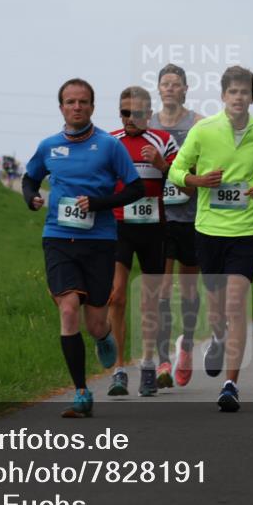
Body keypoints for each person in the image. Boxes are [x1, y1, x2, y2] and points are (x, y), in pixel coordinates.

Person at [167, 66, 253, 412]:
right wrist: (197, 181)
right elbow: (176, 170)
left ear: (252, 97)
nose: (238, 97)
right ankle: (217, 336)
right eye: (232, 92)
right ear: (223, 96)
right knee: (218, 308)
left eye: (244, 92)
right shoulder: (203, 130)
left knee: (236, 304)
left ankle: (230, 385)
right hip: (208, 230)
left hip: (246, 232)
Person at [23, 78, 143, 418]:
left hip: (100, 241)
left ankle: (104, 337)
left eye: (83, 102)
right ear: (61, 107)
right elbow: (30, 178)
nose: (77, 107)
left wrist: (99, 203)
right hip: (58, 237)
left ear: (92, 106)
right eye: (70, 102)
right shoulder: (49, 146)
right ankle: (80, 391)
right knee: (68, 309)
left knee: (95, 324)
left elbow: (135, 189)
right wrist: (31, 197)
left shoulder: (109, 146)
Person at [107, 86, 178, 397]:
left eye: (136, 113)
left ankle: (148, 365)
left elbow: (184, 179)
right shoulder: (110, 142)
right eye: (125, 113)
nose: (130, 119)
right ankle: (118, 369)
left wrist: (162, 165)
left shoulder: (163, 140)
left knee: (149, 300)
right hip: (119, 226)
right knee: (116, 296)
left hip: (153, 229)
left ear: (149, 114)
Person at [149, 64, 202, 388]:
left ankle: (187, 345)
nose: (170, 88)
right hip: (160, 218)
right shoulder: (149, 125)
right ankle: (163, 360)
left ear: (185, 89)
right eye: (165, 83)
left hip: (193, 217)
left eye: (175, 84)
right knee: (163, 290)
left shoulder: (198, 124)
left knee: (190, 290)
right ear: (158, 89)